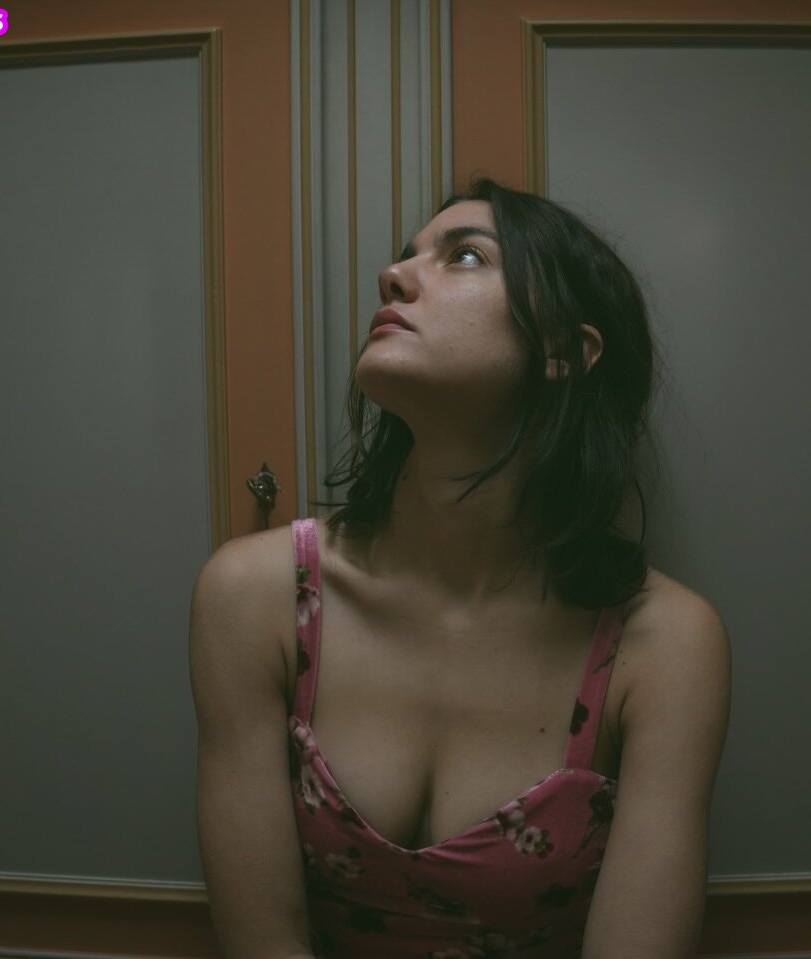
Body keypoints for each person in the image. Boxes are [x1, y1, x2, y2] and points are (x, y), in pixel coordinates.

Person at [189, 178, 731, 958]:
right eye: (407, 255)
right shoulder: (254, 596)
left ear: (564, 352)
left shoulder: (665, 644)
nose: (393, 275)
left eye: (466, 256)